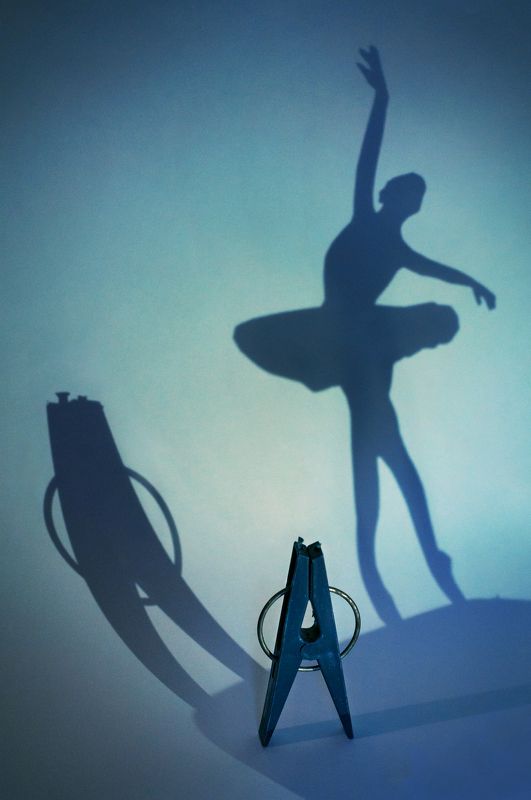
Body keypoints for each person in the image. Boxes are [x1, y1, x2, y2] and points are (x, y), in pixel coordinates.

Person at [234, 46, 496, 623]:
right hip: (342, 339)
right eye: (407, 195)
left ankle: (415, 568)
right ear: (389, 197)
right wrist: (382, 98)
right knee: (382, 476)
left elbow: (437, 270)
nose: (411, 203)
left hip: (363, 355)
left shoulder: (398, 251)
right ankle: (393, 575)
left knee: (388, 471)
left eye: (417, 200)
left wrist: (473, 281)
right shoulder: (364, 220)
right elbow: (368, 156)